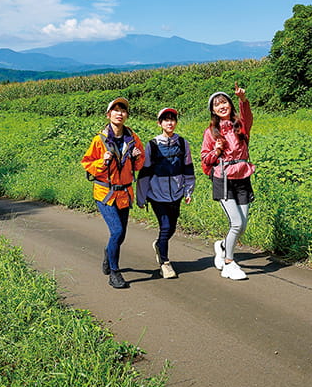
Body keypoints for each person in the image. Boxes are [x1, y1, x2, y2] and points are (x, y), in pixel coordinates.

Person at [81, 97, 145, 289]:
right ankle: (115, 273)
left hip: (124, 193)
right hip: (105, 193)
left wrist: (137, 157)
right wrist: (103, 161)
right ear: (108, 115)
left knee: (121, 235)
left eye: (123, 110)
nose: (119, 113)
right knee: (116, 231)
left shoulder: (132, 139)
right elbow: (87, 164)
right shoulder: (99, 140)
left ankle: (108, 254)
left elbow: (140, 164)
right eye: (115, 110)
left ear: (126, 115)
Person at [200, 83, 255, 281]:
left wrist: (243, 100)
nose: (222, 106)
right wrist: (215, 150)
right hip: (223, 179)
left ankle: (222, 246)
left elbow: (248, 116)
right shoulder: (211, 132)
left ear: (230, 104)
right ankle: (229, 264)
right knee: (236, 223)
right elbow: (205, 159)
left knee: (243, 224)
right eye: (217, 105)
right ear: (213, 111)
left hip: (243, 176)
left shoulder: (240, 125)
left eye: (224, 102)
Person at [137, 108, 196, 279]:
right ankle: (165, 263)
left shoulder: (183, 143)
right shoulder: (152, 145)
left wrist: (188, 190)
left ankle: (159, 245)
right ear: (159, 123)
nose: (169, 123)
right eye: (166, 120)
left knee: (172, 228)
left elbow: (188, 168)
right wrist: (141, 197)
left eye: (172, 119)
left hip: (176, 193)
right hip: (156, 194)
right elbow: (145, 172)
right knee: (165, 227)